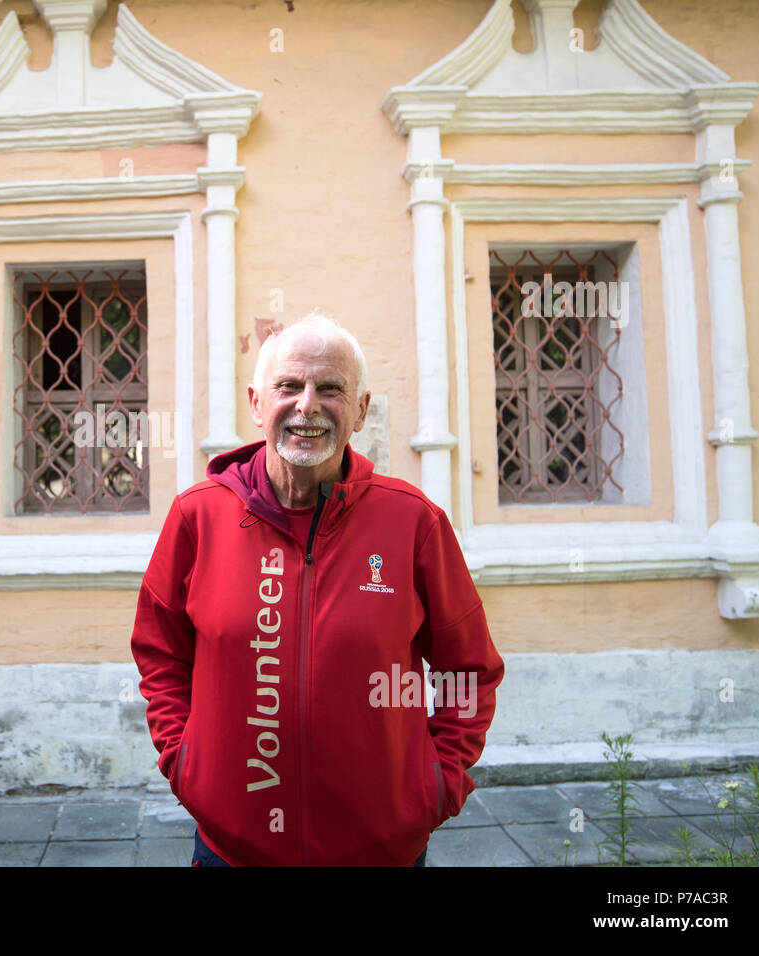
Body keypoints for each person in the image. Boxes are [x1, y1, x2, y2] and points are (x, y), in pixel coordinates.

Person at [130, 312, 505, 866]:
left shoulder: (413, 523)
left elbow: (467, 671)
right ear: (257, 403)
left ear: (360, 408)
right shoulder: (197, 517)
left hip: (380, 851)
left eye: (330, 389)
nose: (307, 405)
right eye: (289, 386)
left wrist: (436, 782)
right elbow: (160, 652)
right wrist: (186, 762)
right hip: (232, 849)